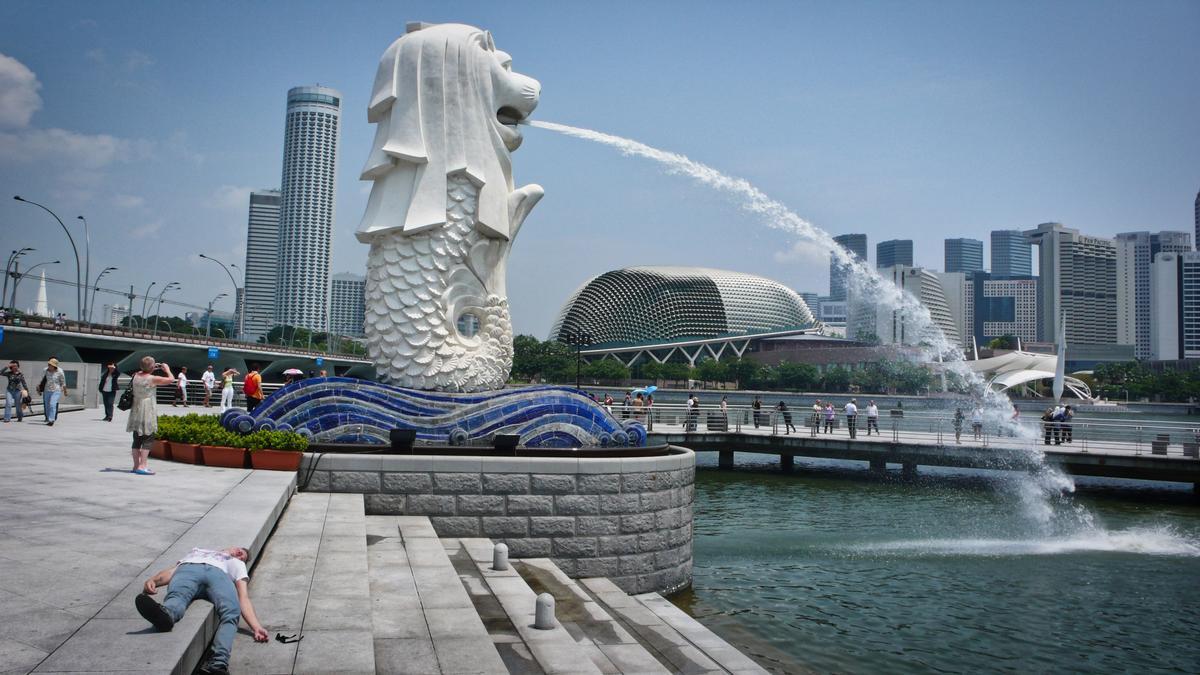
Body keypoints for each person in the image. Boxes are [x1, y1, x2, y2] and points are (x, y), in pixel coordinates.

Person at [136, 546, 268, 675]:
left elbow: (243, 596)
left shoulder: (237, 564)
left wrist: (256, 627)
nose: (240, 553)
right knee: (177, 595)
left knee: (232, 611)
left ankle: (218, 662)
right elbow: (172, 571)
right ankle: (167, 615)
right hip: (189, 569)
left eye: (243, 556)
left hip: (219, 576)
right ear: (230, 546)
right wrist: (153, 580)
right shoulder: (197, 551)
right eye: (240, 550)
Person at [127, 356, 174, 475]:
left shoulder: (135, 376)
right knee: (148, 438)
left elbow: (144, 371)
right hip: (147, 409)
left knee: (136, 439)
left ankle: (136, 465)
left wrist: (151, 367)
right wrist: (167, 369)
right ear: (152, 367)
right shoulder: (152, 378)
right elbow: (171, 379)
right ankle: (143, 466)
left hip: (136, 408)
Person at [38, 358, 68, 426]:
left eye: (50, 364)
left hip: (56, 390)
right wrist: (39, 389)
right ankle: (49, 418)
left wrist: (65, 391)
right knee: (47, 406)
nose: (49, 365)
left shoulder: (59, 372)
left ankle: (51, 420)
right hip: (47, 390)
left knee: (52, 404)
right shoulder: (45, 370)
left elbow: (63, 382)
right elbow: (42, 380)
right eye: (48, 364)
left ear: (54, 366)